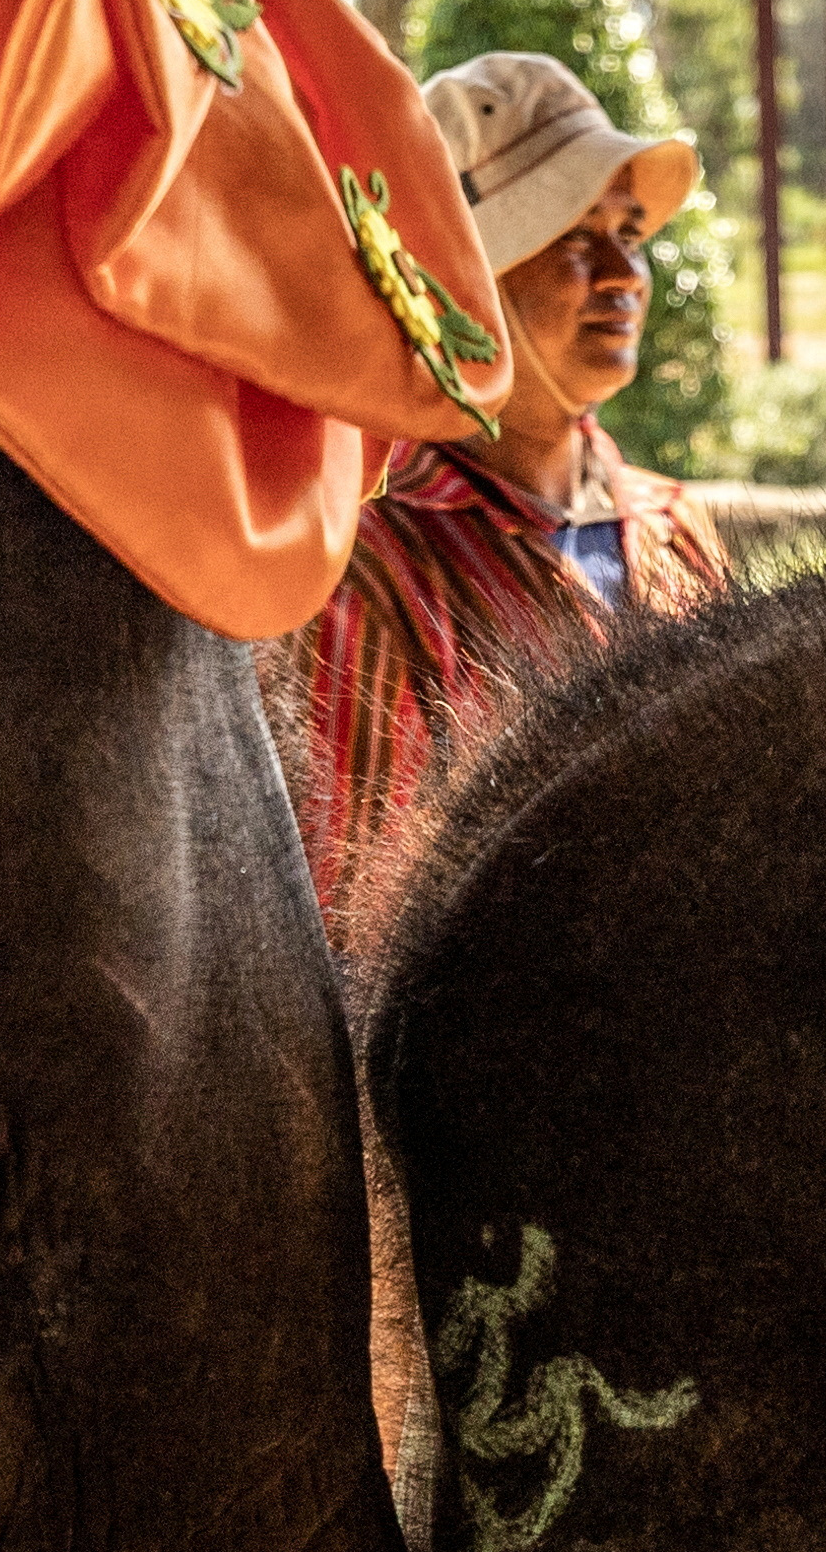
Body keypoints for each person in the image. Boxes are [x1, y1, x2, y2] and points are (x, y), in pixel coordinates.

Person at [283, 50, 740, 955]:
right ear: (460, 281)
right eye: (575, 234)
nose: (622, 274)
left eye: (631, 234)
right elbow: (364, 932)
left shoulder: (671, 526)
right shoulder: (375, 573)